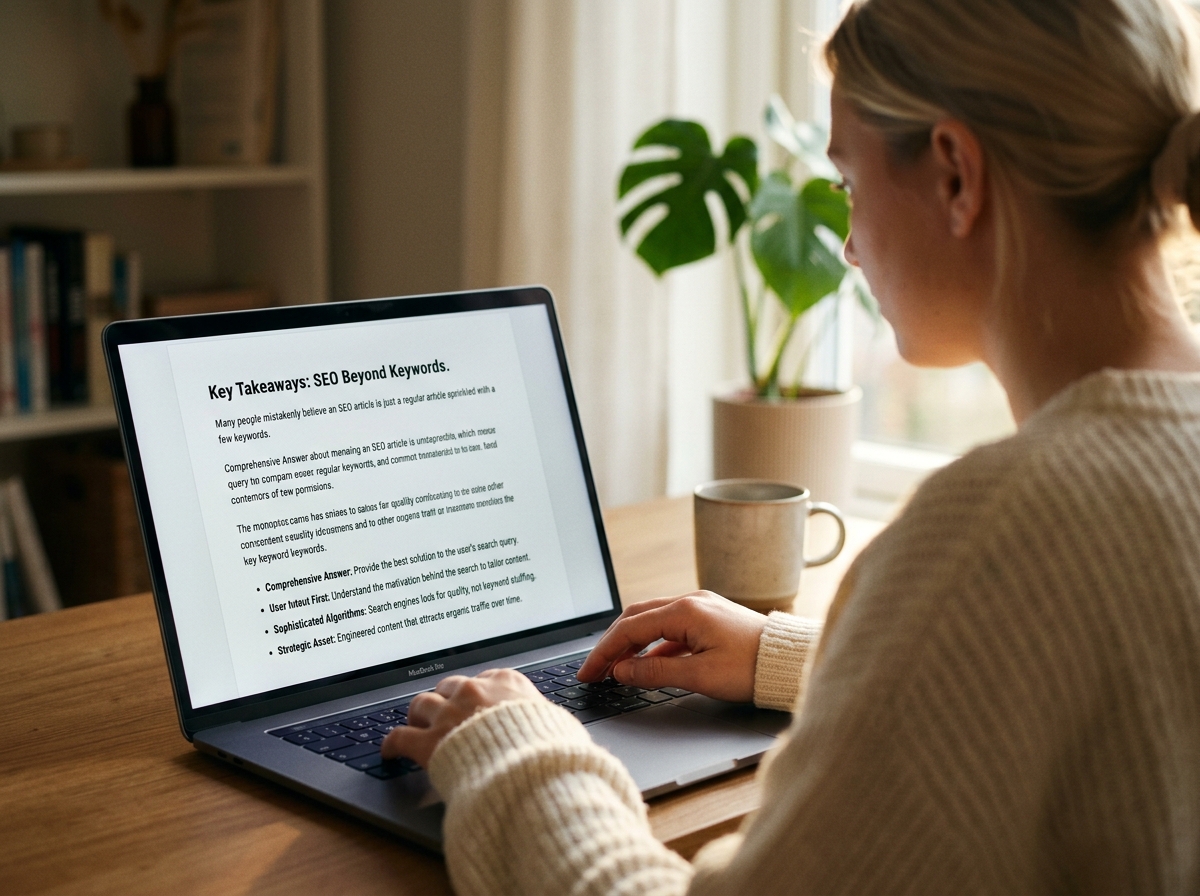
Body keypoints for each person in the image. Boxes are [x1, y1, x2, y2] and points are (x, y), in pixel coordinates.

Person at [383, 0, 1200, 891]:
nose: (847, 246)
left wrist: (513, 752)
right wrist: (802, 658)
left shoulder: (1000, 534)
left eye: (848, 184)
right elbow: (1106, 686)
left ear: (957, 176)